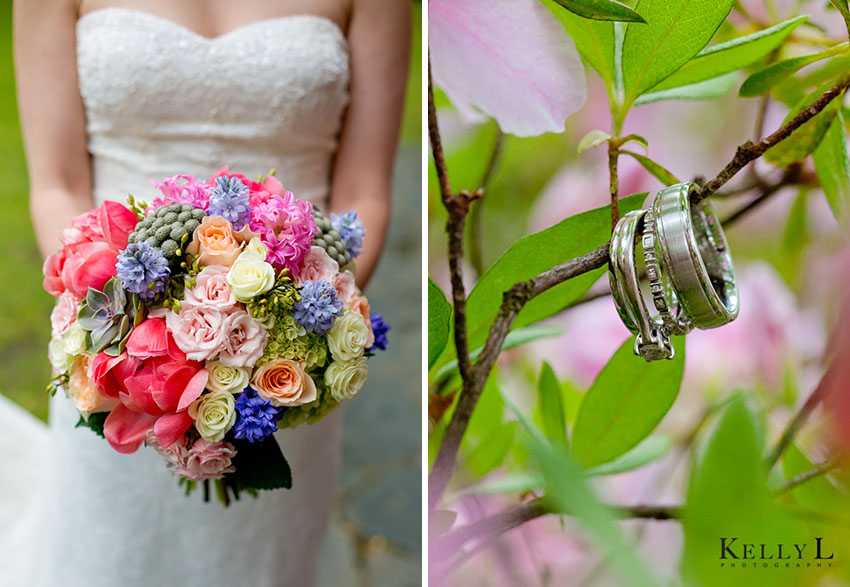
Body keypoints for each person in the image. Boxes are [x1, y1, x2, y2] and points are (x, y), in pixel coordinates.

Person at [7, 0, 410, 585]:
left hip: (285, 351)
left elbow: (364, 190)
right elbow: (57, 183)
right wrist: (113, 329)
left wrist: (294, 326)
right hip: (120, 347)